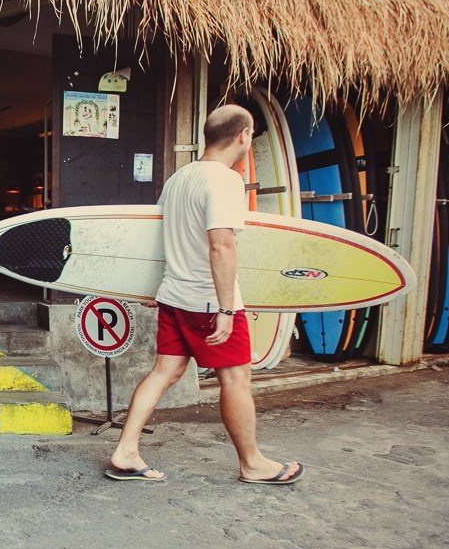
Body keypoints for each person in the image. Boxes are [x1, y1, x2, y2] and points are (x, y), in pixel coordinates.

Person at [106, 104, 303, 486]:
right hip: (208, 302)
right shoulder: (225, 180)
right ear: (243, 135)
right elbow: (221, 245)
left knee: (165, 371)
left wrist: (149, 287)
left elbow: (155, 237)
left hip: (174, 295)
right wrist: (227, 309)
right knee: (236, 380)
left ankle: (126, 450)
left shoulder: (179, 178)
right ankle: (253, 463)